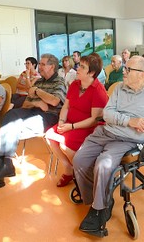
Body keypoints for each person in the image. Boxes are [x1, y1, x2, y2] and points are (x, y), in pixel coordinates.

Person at [73, 55, 144, 236]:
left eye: (127, 69)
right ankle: (100, 198)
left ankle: (99, 209)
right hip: (105, 133)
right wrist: (129, 121)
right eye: (124, 68)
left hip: (127, 140)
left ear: (141, 74)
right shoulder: (119, 89)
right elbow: (107, 114)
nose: (122, 72)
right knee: (79, 160)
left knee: (103, 164)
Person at [0, 54, 66, 194]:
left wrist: (37, 92)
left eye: (42, 64)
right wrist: (39, 102)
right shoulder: (39, 82)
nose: (39, 66)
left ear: (52, 66)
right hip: (31, 111)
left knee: (8, 130)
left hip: (48, 118)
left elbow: (53, 102)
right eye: (39, 64)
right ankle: (6, 164)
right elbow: (27, 103)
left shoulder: (59, 82)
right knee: (10, 116)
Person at [45, 53, 108, 187]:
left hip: (88, 128)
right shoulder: (75, 84)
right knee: (49, 135)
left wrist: (71, 127)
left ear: (91, 73)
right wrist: (62, 121)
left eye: (82, 67)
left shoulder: (98, 90)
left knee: (64, 143)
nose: (78, 68)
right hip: (70, 124)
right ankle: (69, 168)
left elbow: (94, 120)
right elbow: (66, 106)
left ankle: (82, 172)